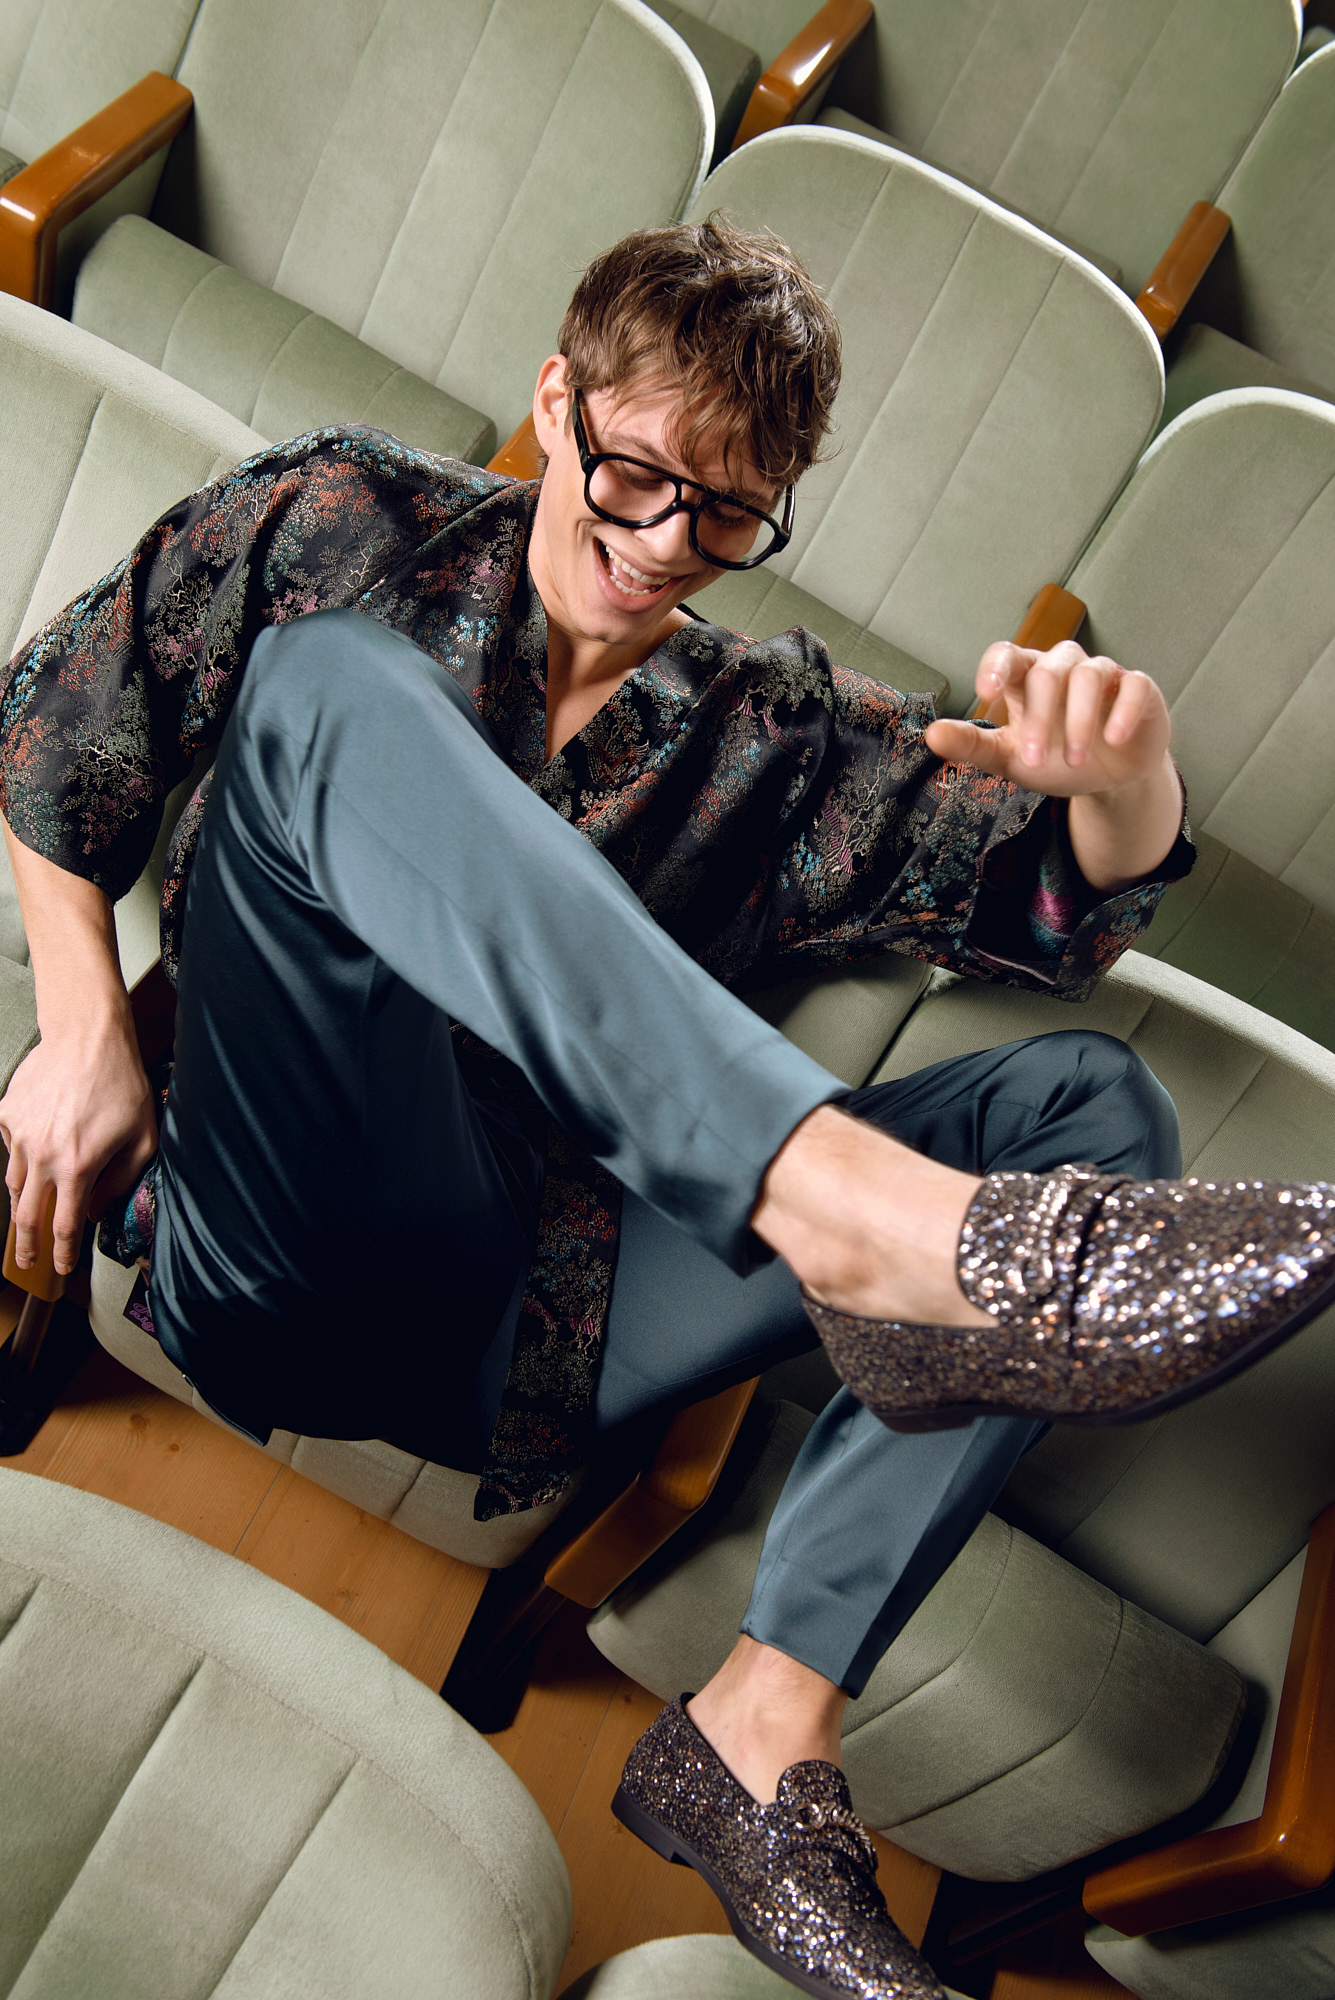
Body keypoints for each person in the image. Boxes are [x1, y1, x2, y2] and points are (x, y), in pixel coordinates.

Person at [1, 221, 1331, 2000]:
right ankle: (857, 1214)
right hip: (274, 1241)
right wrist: (82, 1025)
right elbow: (59, 729)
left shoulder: (774, 735)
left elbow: (1046, 901)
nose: (659, 550)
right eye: (633, 476)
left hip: (538, 1326)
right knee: (326, 689)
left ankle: (763, 1724)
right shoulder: (338, 519)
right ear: (557, 399)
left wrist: (1130, 788)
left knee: (1092, 1106)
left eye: (726, 519)